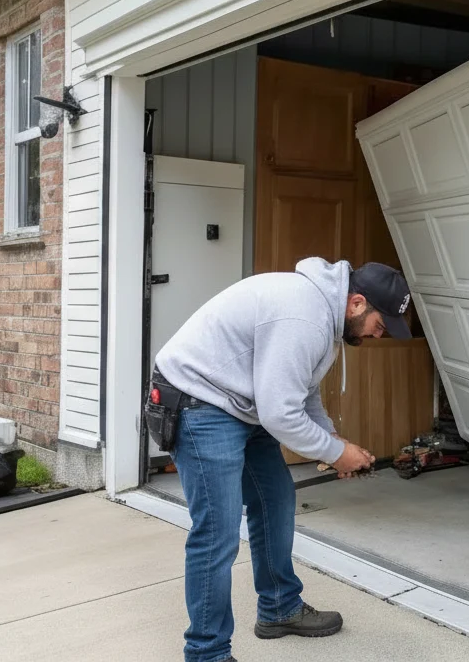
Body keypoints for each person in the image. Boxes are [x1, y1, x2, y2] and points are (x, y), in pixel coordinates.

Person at [151, 257, 412, 662]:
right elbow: (280, 415)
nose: (379, 335)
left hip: (243, 402)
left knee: (274, 498)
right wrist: (336, 453)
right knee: (217, 533)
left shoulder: (324, 316)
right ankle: (206, 653)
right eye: (380, 325)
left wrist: (331, 440)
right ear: (357, 303)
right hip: (199, 401)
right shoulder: (305, 316)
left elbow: (302, 389)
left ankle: (279, 608)